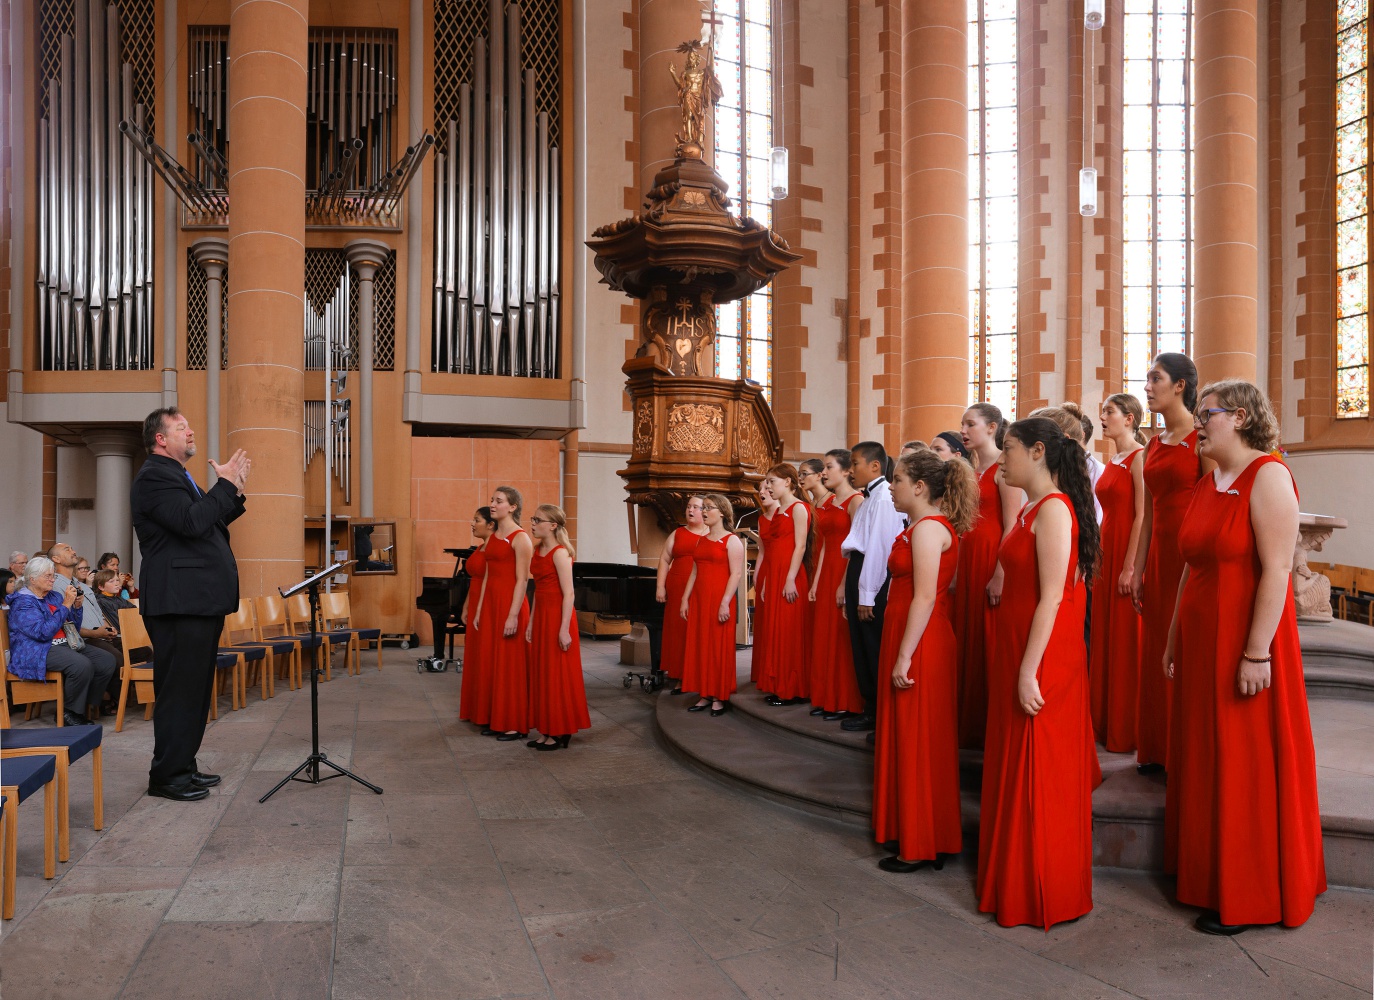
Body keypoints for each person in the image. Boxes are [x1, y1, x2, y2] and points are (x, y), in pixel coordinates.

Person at [1164, 380, 1326, 935]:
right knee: (1208, 756)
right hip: (1201, 639)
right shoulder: (1211, 479)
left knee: (1243, 763)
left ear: (1238, 417)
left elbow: (1277, 570)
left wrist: (1257, 654)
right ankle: (1206, 875)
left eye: (1205, 414)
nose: (1198, 424)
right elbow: (1191, 566)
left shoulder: (1269, 475)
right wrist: (1172, 636)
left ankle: (1249, 891)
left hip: (1246, 639)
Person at [977, 416, 1100, 930]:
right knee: (1016, 763)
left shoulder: (1053, 510)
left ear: (1038, 451)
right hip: (1019, 648)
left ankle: (1042, 888)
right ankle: (1013, 878)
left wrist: (1028, 673)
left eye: (1008, 448)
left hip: (1042, 657)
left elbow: (1053, 597)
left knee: (1039, 768)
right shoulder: (1031, 508)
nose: (1000, 458)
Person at [131, 407, 249, 801]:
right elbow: (191, 523)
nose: (191, 430)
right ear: (161, 438)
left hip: (194, 601)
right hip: (179, 602)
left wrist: (233, 492)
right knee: (180, 691)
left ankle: (182, 765)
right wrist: (224, 486)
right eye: (182, 427)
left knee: (195, 690)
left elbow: (206, 524)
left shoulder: (178, 477)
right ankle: (167, 777)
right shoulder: (155, 477)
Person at [872, 450, 978, 873]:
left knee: (918, 739)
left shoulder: (929, 529)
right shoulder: (920, 526)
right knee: (915, 737)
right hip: (912, 635)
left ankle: (919, 845)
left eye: (897, 479)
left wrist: (904, 656)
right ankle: (931, 835)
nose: (891, 486)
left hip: (920, 640)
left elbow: (927, 595)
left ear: (919, 486)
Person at [1132, 353, 1208, 774]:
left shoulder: (1203, 440)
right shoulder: (1154, 444)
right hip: (1159, 559)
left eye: (1155, 378)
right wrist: (1139, 568)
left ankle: (1184, 750)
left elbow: (1213, 501)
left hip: (1189, 557)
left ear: (1180, 385)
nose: (1147, 387)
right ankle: (1158, 748)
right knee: (1157, 649)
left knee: (1183, 651)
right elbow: (1148, 517)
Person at [954, 403, 1020, 749]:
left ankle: (987, 727)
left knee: (987, 640)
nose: (964, 430)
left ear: (993, 427)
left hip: (990, 559)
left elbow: (1012, 524)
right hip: (968, 559)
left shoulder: (1002, 469)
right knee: (968, 636)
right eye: (962, 424)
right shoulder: (972, 470)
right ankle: (969, 721)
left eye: (971, 424)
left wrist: (1000, 573)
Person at [1089, 394, 1147, 752]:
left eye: (1109, 412)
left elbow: (1142, 514)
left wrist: (1130, 566)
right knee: (1105, 636)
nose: (1103, 417)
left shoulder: (1140, 458)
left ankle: (1127, 729)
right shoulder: (1112, 460)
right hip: (1106, 554)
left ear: (1129, 418)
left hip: (1126, 553)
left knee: (1126, 640)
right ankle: (1104, 721)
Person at [6, 556, 117, 727]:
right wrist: (66, 604)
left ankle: (84, 705)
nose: (52, 580)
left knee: (106, 660)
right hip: (36, 649)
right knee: (81, 664)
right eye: (48, 576)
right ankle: (69, 713)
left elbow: (72, 625)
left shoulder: (53, 596)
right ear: (32, 578)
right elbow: (43, 633)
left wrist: (77, 607)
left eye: (53, 576)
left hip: (64, 643)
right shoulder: (23, 602)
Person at [839, 442, 905, 733]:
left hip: (871, 574)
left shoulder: (882, 499)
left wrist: (867, 595)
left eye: (855, 464)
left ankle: (879, 715)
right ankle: (871, 709)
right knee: (861, 644)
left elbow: (879, 548)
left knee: (871, 644)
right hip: (859, 568)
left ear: (875, 466)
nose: (851, 470)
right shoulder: (871, 497)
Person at [525, 504, 591, 749]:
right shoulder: (536, 549)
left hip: (558, 617)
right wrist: (531, 622)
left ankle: (558, 730)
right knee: (543, 673)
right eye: (532, 519)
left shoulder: (560, 553)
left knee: (556, 673)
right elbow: (537, 592)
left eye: (537, 520)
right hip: (541, 615)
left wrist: (564, 629)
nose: (532, 523)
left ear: (552, 525)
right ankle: (546, 729)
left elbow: (569, 594)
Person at [805, 454, 864, 720]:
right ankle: (826, 697)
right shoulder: (830, 502)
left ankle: (845, 702)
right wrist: (816, 581)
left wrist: (842, 584)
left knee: (841, 640)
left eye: (829, 467)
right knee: (825, 636)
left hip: (844, 573)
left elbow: (856, 549)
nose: (824, 472)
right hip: (826, 572)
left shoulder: (857, 502)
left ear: (847, 471)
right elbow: (827, 543)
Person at [473, 486, 532, 741]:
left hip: (511, 605)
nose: (493, 505)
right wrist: (479, 609)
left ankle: (514, 724)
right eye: (492, 500)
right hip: (491, 605)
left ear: (513, 507)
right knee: (493, 662)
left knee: (510, 666)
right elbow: (487, 575)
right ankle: (497, 718)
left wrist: (513, 615)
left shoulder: (521, 538)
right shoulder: (494, 536)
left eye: (499, 501)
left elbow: (522, 580)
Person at [680, 494, 745, 716]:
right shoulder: (701, 540)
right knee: (702, 646)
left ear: (723, 513)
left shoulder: (732, 540)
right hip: (699, 599)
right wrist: (685, 598)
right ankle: (705, 693)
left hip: (720, 599)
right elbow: (695, 571)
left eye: (709, 508)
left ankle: (719, 695)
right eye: (704, 507)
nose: (704, 511)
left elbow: (736, 574)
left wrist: (725, 602)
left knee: (718, 648)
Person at [753, 464, 812, 706]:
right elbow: (771, 549)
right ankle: (779, 685)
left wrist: (789, 578)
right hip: (775, 575)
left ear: (788, 482)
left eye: (771, 481)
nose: (767, 486)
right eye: (766, 482)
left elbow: (801, 546)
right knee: (776, 632)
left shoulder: (799, 508)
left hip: (790, 575)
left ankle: (792, 689)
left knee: (790, 633)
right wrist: (767, 580)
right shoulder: (778, 511)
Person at [656, 496, 709, 695]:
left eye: (696, 507)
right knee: (678, 631)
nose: (691, 510)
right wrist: (660, 587)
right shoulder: (678, 532)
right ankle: (679, 676)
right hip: (677, 586)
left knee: (696, 631)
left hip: (700, 587)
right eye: (689, 506)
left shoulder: (711, 533)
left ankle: (696, 675)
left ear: (705, 511)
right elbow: (664, 559)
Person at [458, 506, 496, 728]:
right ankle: (476, 709)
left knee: (485, 657)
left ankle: (487, 711)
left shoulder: (495, 549)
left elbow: (492, 581)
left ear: (491, 524)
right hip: (474, 604)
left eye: (477, 520)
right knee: (474, 656)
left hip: (487, 605)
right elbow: (474, 581)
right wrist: (466, 606)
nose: (472, 524)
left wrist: (478, 607)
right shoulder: (481, 547)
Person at [748, 481, 780, 696]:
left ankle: (774, 672)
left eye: (766, 489)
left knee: (774, 624)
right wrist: (758, 576)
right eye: (760, 489)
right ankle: (762, 671)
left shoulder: (782, 514)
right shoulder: (761, 518)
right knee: (763, 622)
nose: (762, 493)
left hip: (779, 569)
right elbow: (762, 551)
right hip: (766, 569)